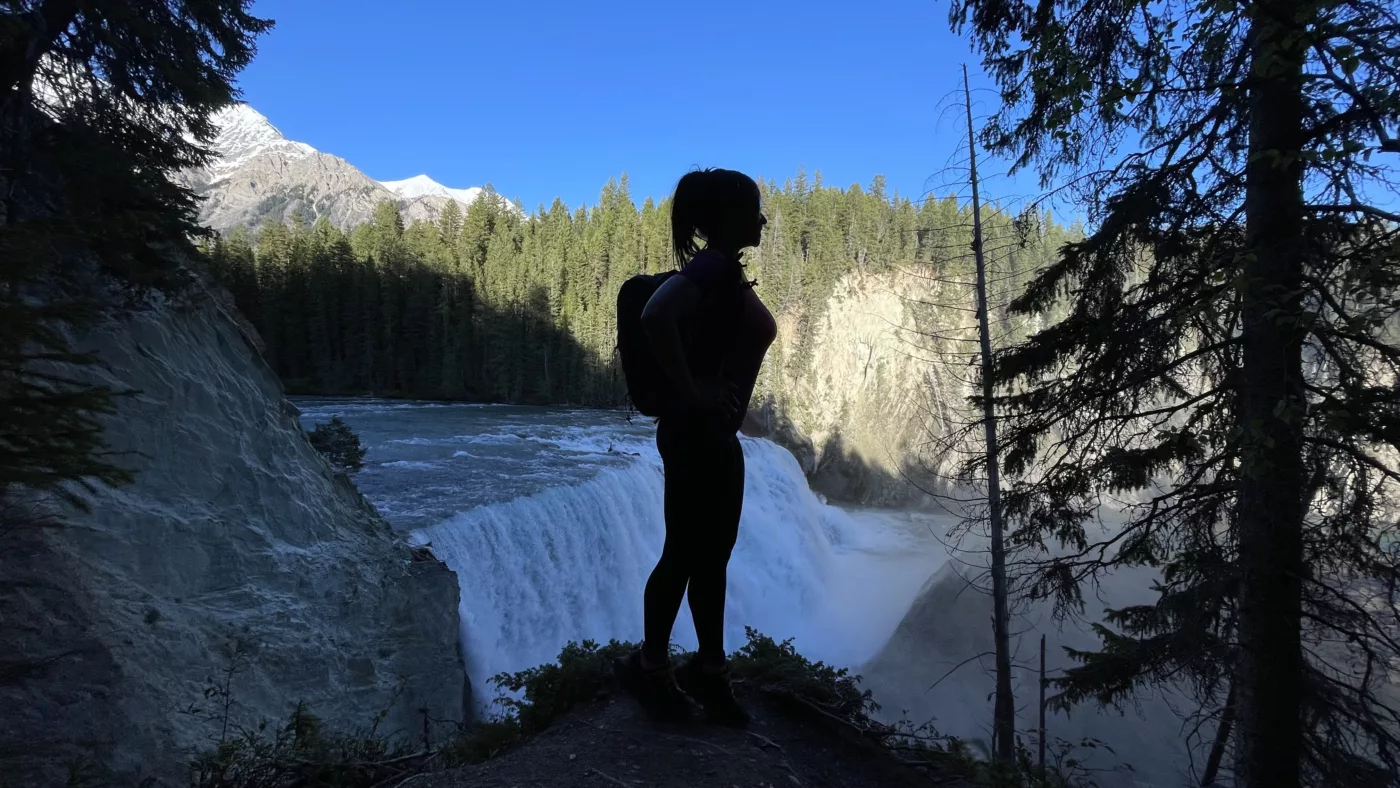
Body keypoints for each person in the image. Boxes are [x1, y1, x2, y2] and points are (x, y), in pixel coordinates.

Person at [615, 168, 777, 727]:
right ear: (728, 218)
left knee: (707, 556)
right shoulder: (710, 267)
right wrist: (696, 394)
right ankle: (653, 669)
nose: (762, 217)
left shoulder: (723, 272)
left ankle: (708, 670)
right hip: (695, 435)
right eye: (754, 208)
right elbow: (656, 314)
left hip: (708, 437)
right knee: (687, 553)